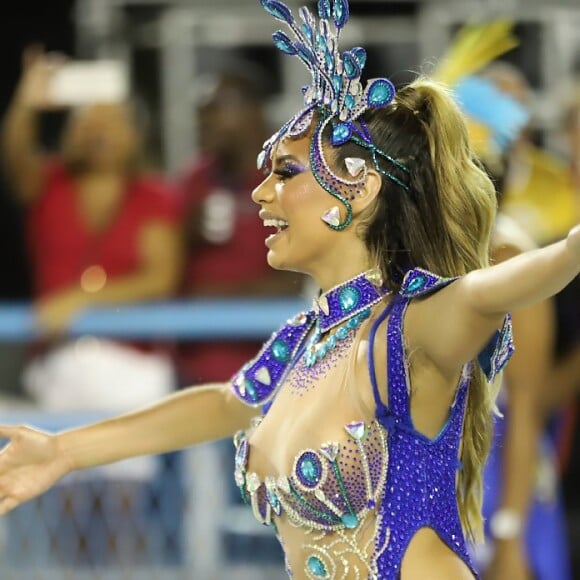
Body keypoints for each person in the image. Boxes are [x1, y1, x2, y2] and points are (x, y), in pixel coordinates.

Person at [0, 2, 578, 578]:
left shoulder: (414, 326)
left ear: (359, 189)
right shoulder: (305, 341)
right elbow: (225, 404)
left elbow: (495, 288)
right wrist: (64, 451)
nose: (260, 194)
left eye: (286, 173)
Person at [1, 46, 183, 564]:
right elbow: (15, 156)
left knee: (124, 511)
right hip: (61, 364)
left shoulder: (152, 194)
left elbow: (160, 276)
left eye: (111, 121)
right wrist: (28, 101)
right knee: (68, 505)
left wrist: (80, 298)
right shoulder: (51, 184)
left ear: (134, 135)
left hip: (131, 364)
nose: (99, 130)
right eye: (88, 121)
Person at [175, 65, 303, 386]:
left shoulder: (291, 180)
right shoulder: (193, 180)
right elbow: (160, 270)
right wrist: (183, 234)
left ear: (254, 112)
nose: (205, 121)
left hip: (273, 367)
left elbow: (297, 282)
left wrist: (214, 298)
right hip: (196, 369)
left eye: (217, 109)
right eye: (202, 112)